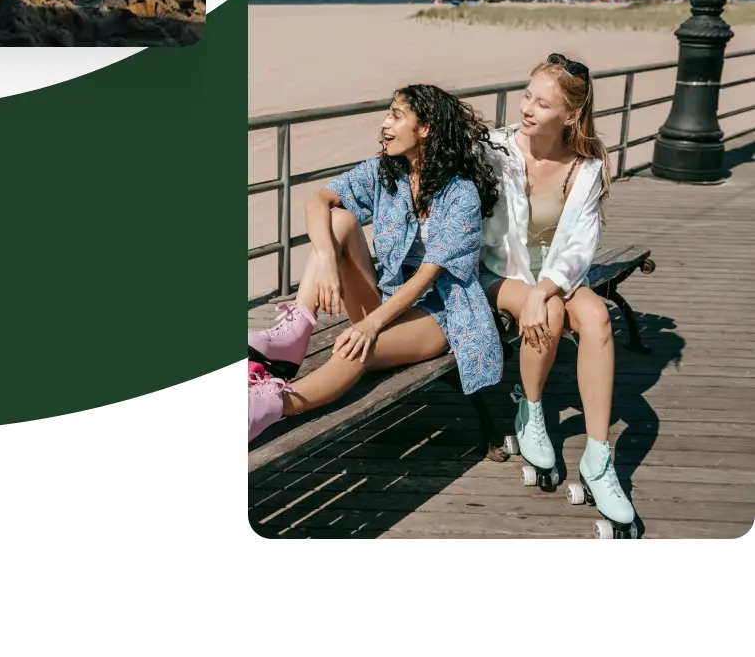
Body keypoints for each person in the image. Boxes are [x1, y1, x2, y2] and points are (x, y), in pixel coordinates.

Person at [246, 85, 504, 443]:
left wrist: (369, 326)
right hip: (387, 294)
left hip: (439, 311)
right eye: (387, 114)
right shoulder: (386, 173)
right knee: (339, 220)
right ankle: (292, 336)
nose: (385, 124)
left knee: (359, 347)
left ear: (425, 128)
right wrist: (327, 260)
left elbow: (429, 275)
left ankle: (271, 404)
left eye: (396, 116)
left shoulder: (460, 193)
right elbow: (317, 202)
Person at [479, 52, 640, 536]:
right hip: (498, 270)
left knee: (596, 319)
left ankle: (598, 455)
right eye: (527, 96)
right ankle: (529, 408)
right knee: (545, 319)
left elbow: (579, 245)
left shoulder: (584, 167)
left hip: (557, 274)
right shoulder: (492, 149)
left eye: (542, 104)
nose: (527, 108)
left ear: (570, 115)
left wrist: (545, 288)